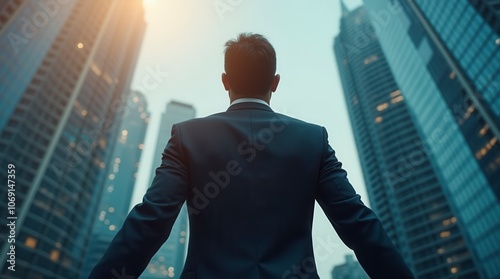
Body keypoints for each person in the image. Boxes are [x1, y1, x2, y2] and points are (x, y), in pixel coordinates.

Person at [89, 33, 414, 279]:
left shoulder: (187, 137)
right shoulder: (313, 139)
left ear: (225, 82)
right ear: (275, 83)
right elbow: (358, 224)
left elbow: (149, 223)